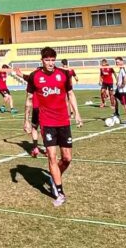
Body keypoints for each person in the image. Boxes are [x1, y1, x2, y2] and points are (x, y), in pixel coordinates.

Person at [24, 47, 82, 207]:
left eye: (52, 60)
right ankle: (60, 192)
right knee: (52, 156)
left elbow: (70, 94)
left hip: (63, 121)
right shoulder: (35, 76)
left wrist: (77, 113)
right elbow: (29, 99)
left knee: (67, 158)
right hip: (47, 122)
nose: (50, 63)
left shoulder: (64, 74)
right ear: (41, 60)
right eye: (47, 60)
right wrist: (26, 120)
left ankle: (54, 176)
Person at [113, 56, 126, 126]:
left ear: (122, 62)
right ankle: (116, 113)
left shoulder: (123, 69)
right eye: (116, 62)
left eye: (118, 62)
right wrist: (118, 84)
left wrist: (122, 85)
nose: (117, 63)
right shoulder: (121, 69)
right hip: (119, 90)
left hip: (123, 91)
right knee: (114, 97)